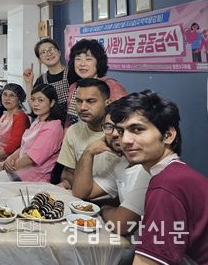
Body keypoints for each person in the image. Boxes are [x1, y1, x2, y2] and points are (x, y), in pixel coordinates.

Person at [112, 91, 208, 265]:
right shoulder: (176, 173)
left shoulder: (167, 185)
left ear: (168, 135)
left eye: (137, 129)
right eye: (120, 131)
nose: (125, 140)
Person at [72, 106, 150, 235]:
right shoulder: (121, 163)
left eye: (120, 127)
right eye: (109, 126)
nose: (114, 134)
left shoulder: (147, 168)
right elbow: (81, 192)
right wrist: (88, 152)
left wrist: (105, 209)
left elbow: (121, 225)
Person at [57, 78, 121, 189]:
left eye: (91, 101)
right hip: (80, 195)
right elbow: (67, 172)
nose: (83, 107)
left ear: (107, 103)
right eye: (79, 101)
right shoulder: (73, 131)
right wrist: (68, 183)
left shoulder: (119, 134)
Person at [0, 84, 65, 182]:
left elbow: (31, 159)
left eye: (40, 100)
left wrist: (7, 166)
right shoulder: (37, 121)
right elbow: (23, 146)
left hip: (33, 179)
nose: (35, 104)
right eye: (33, 100)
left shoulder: (54, 127)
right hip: (19, 170)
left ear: (52, 103)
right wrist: (10, 158)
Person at [66, 39, 126, 125]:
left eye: (88, 59)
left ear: (98, 62)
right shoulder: (73, 87)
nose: (82, 64)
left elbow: (122, 119)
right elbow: (69, 120)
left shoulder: (112, 86)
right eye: (78, 59)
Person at [22, 38, 77, 115]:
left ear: (59, 52)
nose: (48, 53)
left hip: (73, 120)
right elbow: (34, 108)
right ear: (40, 60)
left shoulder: (74, 73)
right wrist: (28, 83)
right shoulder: (41, 80)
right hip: (51, 121)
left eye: (51, 49)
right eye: (43, 52)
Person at [0, 83, 30, 161]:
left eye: (11, 95)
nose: (7, 99)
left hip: (6, 160)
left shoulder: (21, 118)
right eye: (5, 94)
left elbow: (13, 146)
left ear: (19, 99)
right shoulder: (5, 114)